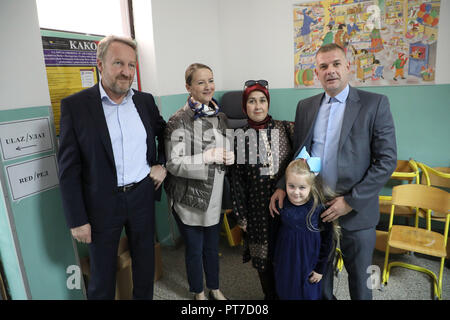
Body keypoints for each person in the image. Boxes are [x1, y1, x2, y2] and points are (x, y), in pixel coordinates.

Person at [269, 43, 397, 300]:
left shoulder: (375, 104)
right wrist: (283, 184)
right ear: (316, 73)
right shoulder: (306, 106)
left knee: (362, 279)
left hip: (356, 211)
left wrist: (350, 201)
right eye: (323, 66)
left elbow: (386, 160)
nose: (331, 71)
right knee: (318, 276)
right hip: (314, 208)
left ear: (348, 66)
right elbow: (300, 155)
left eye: (336, 64)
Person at [58, 35, 167, 299]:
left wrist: (161, 164)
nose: (126, 71)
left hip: (142, 193)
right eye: (118, 63)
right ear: (100, 64)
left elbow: (165, 133)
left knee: (144, 265)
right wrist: (77, 219)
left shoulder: (144, 101)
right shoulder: (76, 106)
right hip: (101, 203)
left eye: (131, 65)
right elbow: (68, 169)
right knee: (102, 276)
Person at [164, 63, 233, 300]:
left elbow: (224, 146)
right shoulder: (178, 120)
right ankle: (198, 292)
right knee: (195, 250)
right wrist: (206, 157)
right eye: (201, 82)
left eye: (211, 80)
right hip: (189, 197)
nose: (208, 86)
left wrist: (229, 155)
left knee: (212, 249)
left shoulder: (220, 116)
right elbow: (173, 163)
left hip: (213, 195)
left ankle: (214, 287)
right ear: (188, 87)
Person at [229, 80, 294, 300]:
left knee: (286, 260)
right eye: (252, 101)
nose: (258, 106)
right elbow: (236, 180)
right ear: (244, 106)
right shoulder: (240, 137)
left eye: (262, 100)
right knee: (264, 265)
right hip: (257, 212)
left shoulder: (286, 128)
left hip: (287, 209)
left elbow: (301, 164)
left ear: (268, 103)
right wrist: (241, 216)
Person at [273, 159, 336, 300]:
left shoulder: (319, 208)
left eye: (302, 187)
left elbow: (327, 242)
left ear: (311, 186)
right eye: (291, 186)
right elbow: (275, 234)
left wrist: (320, 269)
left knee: (308, 292)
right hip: (286, 260)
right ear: (285, 184)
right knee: (286, 291)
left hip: (309, 262)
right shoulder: (282, 204)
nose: (296, 192)